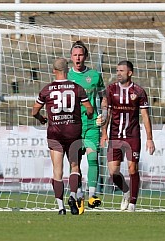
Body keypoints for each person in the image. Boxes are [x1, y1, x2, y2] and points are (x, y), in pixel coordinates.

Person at [32, 57, 94, 215]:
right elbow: (90, 109)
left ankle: (60, 207)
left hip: (55, 133)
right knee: (75, 167)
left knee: (57, 171)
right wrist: (86, 115)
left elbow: (34, 111)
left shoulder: (47, 89)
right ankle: (72, 195)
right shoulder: (77, 88)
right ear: (67, 71)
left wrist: (41, 119)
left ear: (54, 71)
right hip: (73, 132)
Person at [100, 60, 155, 212]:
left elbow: (145, 116)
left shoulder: (138, 91)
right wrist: (104, 133)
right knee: (113, 172)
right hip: (115, 135)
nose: (118, 73)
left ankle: (132, 204)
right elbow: (107, 113)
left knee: (132, 168)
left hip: (132, 135)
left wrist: (149, 138)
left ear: (129, 73)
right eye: (117, 70)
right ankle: (125, 191)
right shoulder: (110, 89)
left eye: (121, 71)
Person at [68, 40, 107, 214]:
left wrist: (104, 114)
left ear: (86, 56)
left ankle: (92, 196)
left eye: (80, 55)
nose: (78, 58)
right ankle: (79, 196)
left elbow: (104, 97)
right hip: (73, 125)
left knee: (93, 158)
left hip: (91, 124)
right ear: (71, 57)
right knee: (75, 163)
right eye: (75, 55)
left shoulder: (95, 75)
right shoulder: (66, 76)